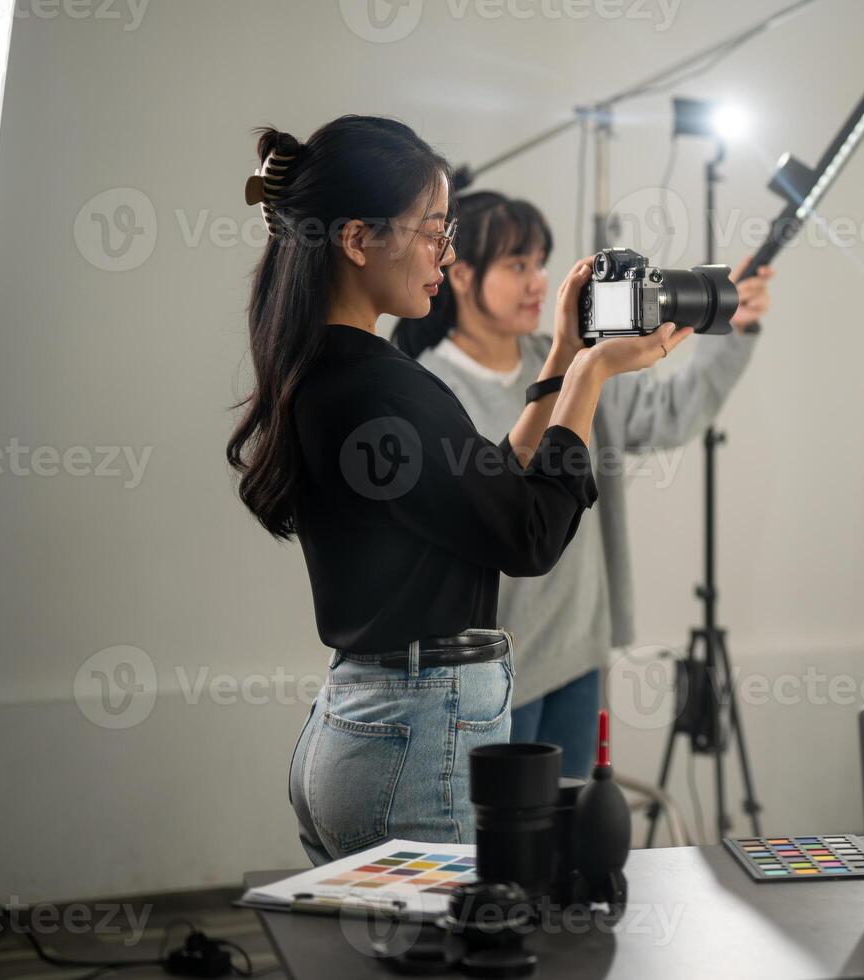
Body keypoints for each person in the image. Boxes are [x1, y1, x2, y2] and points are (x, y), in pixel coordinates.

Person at [225, 116, 690, 864]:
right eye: (433, 231)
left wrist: (565, 356)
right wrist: (592, 377)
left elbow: (489, 494)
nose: (445, 254)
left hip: (358, 730)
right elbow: (528, 536)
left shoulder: (331, 372)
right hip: (412, 745)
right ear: (355, 240)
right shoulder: (383, 390)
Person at [391, 189, 772, 779]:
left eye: (541, 263)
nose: (537, 282)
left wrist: (735, 327)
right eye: (518, 265)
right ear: (460, 274)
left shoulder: (574, 360)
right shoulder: (433, 389)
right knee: (503, 852)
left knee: (567, 843)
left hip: (579, 650)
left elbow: (668, 413)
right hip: (487, 670)